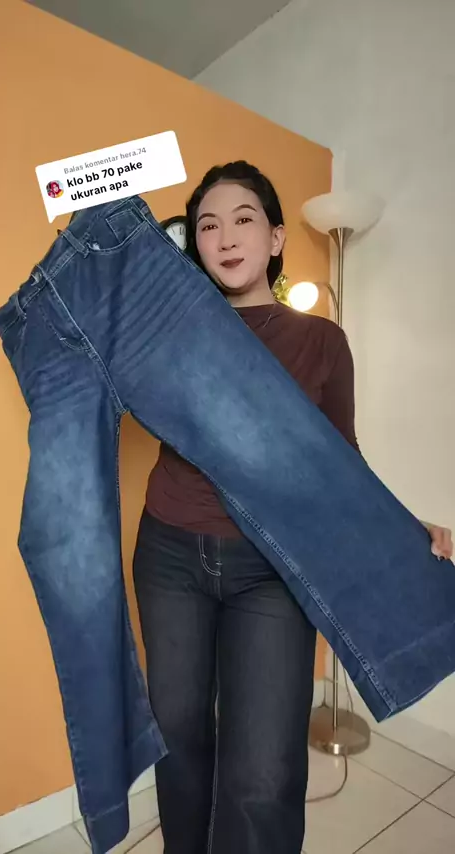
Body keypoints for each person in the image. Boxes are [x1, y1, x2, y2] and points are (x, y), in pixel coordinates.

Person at [132, 161, 453, 854]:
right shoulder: (171, 334)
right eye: (208, 225)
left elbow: (341, 459)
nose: (225, 237)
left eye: (244, 219)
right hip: (168, 559)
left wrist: (404, 529)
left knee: (264, 771)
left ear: (276, 238)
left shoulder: (320, 341)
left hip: (273, 570)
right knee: (178, 741)